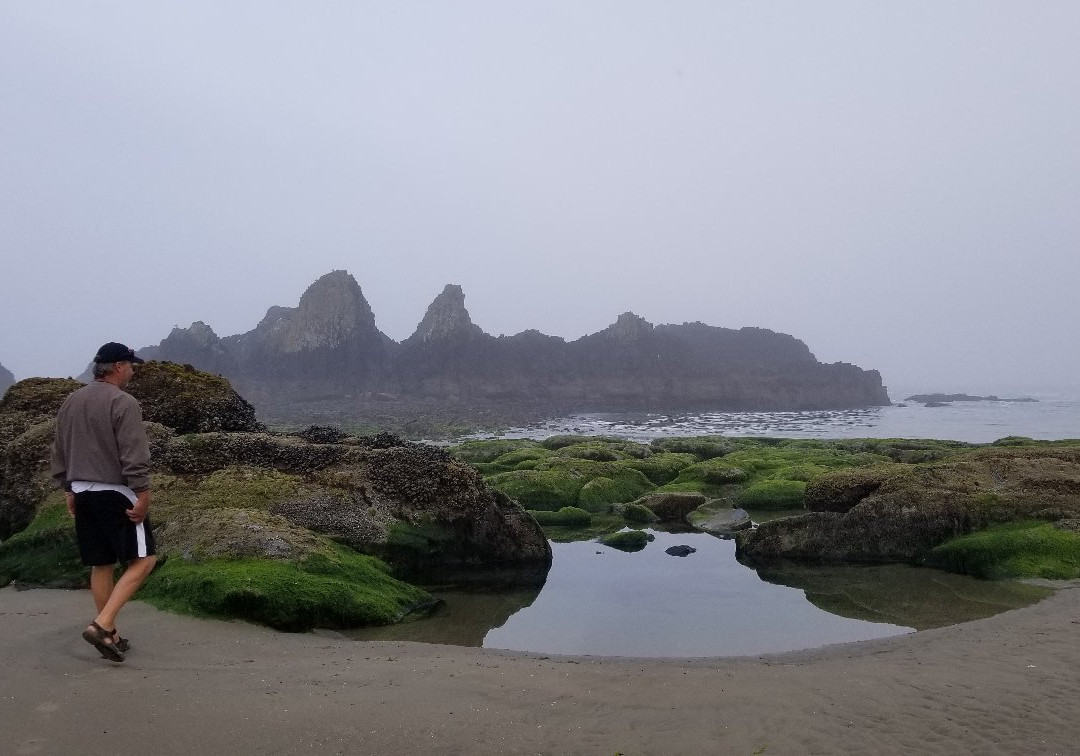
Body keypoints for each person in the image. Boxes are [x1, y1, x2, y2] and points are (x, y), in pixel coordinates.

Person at [50, 342, 156, 663]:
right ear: (119, 367)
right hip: (115, 492)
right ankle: (102, 624)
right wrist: (143, 494)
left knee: (102, 563)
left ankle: (111, 635)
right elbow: (134, 454)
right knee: (144, 559)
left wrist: (69, 489)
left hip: (81, 491)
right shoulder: (123, 402)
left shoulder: (70, 401)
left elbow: (60, 449)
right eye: (131, 365)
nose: (133, 370)